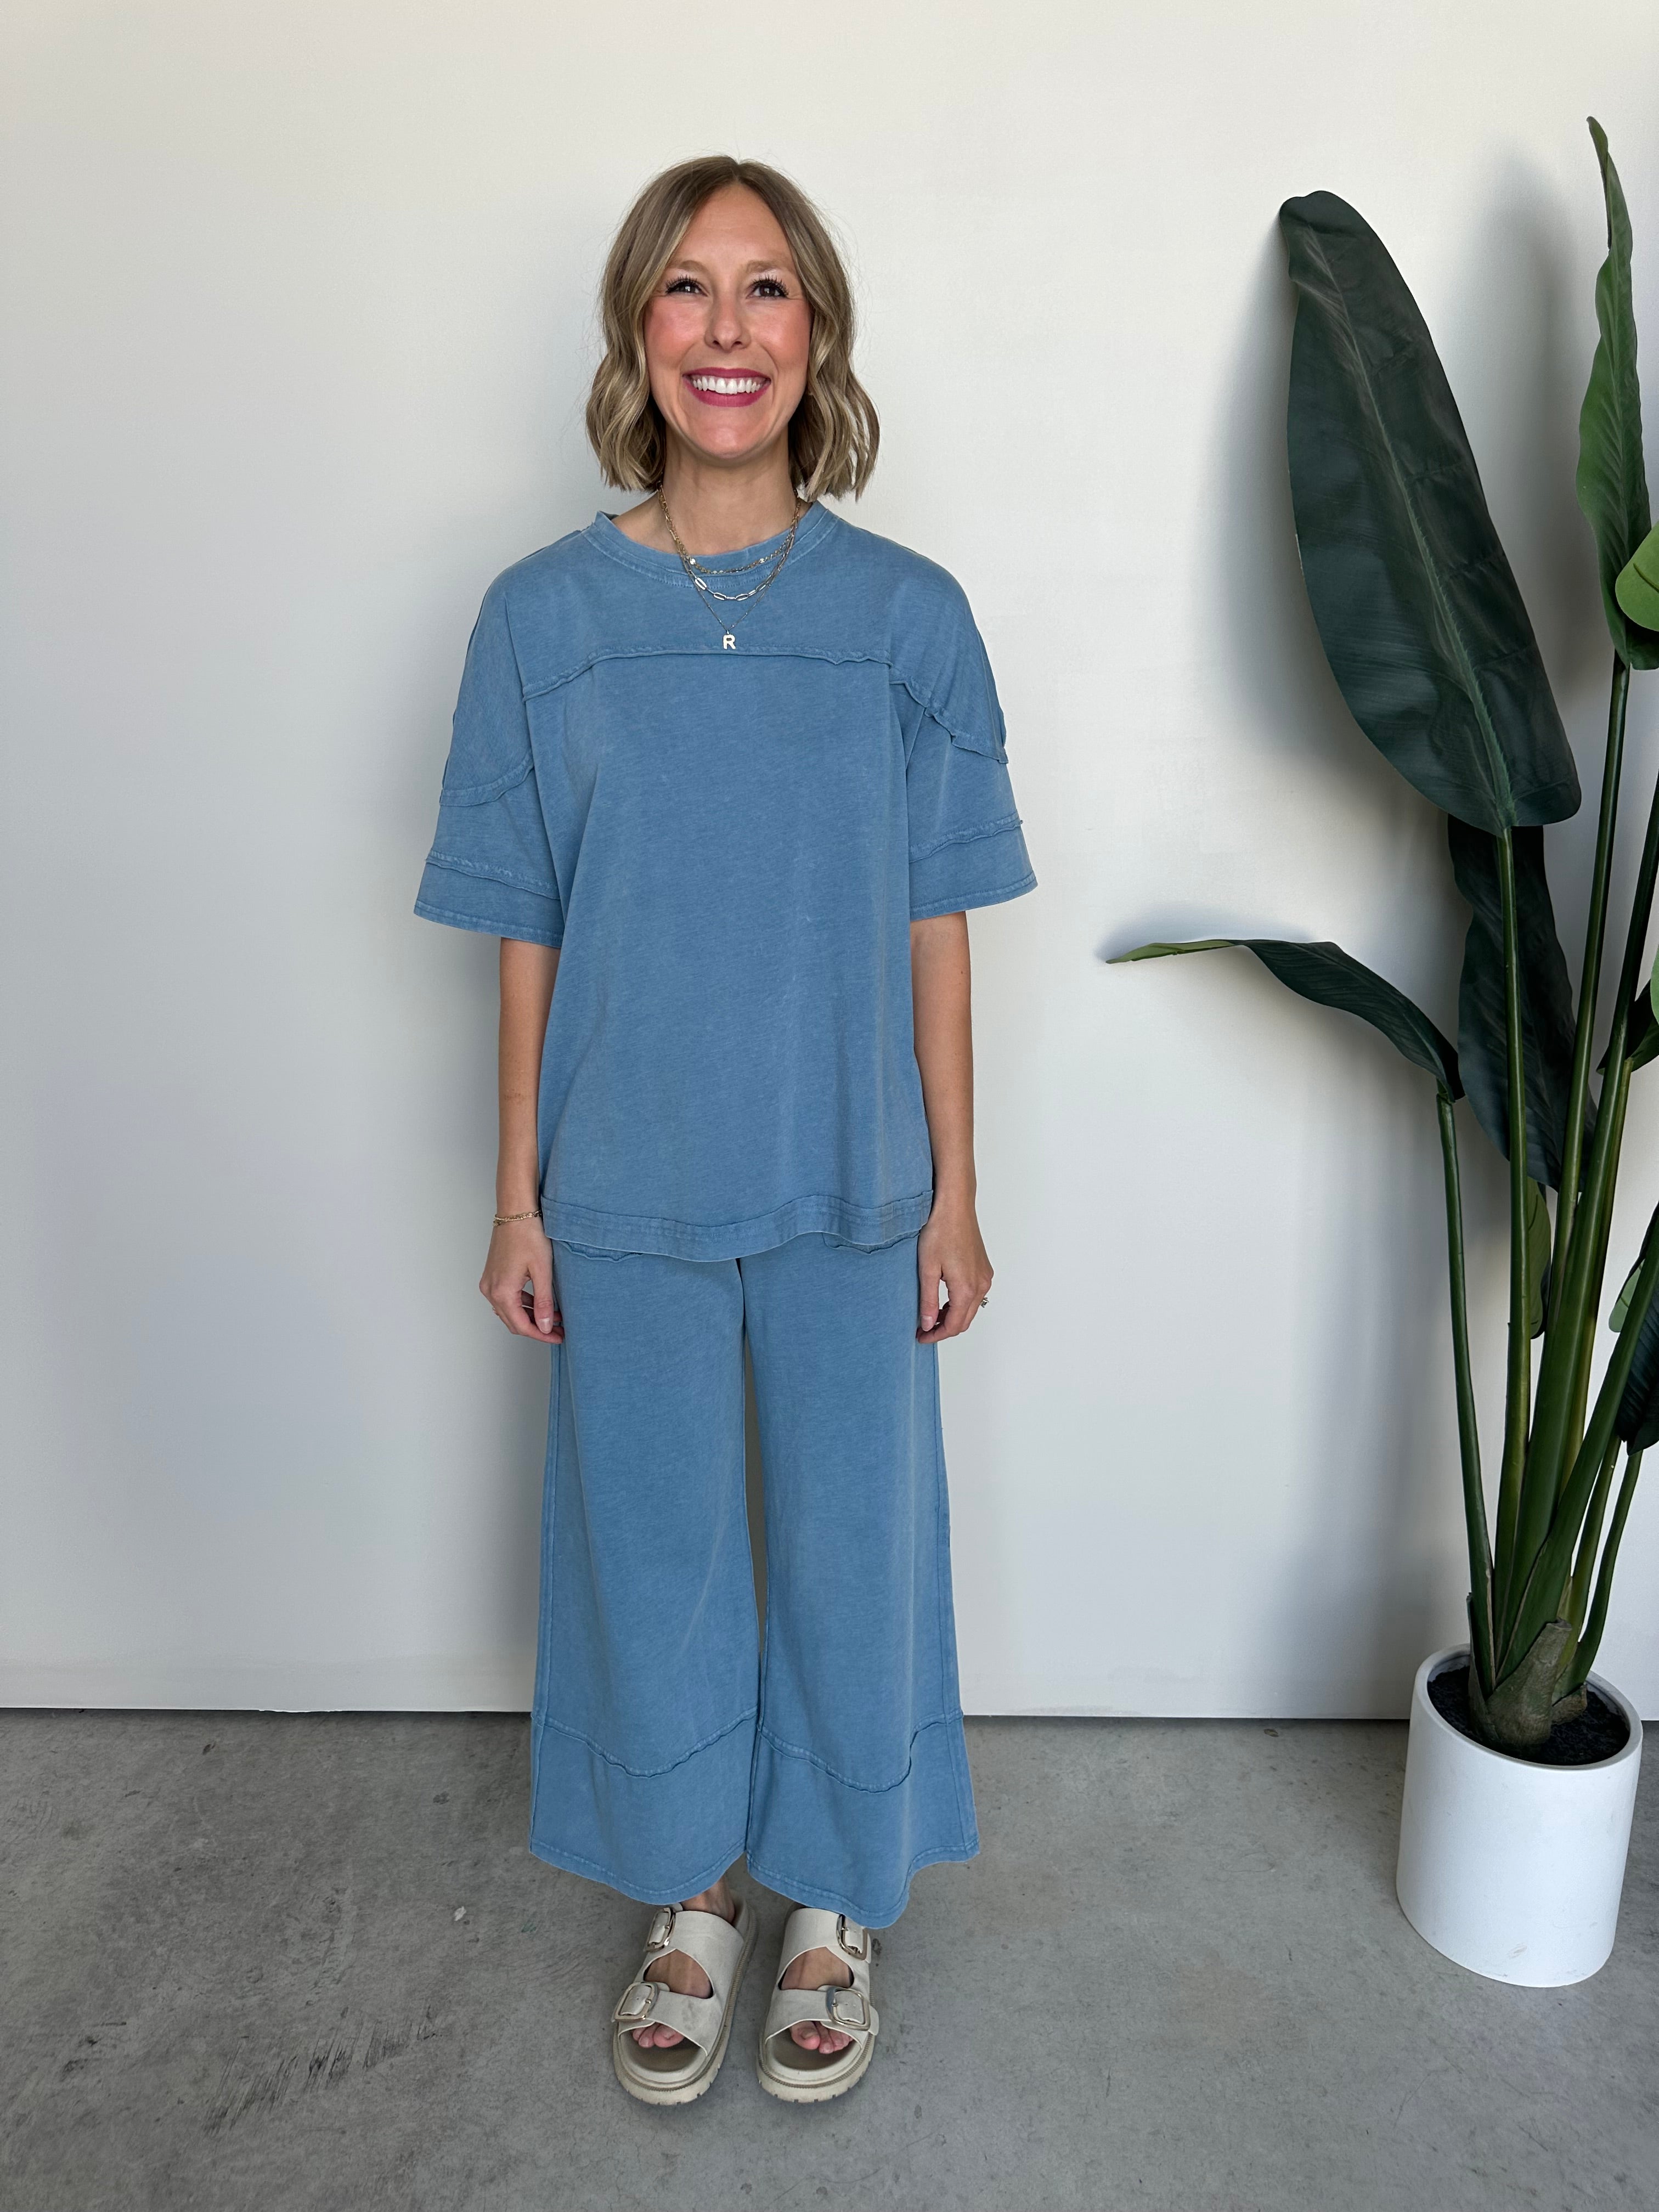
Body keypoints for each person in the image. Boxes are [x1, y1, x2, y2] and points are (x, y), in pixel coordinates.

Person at [415, 154, 1036, 2107]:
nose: (727, 330)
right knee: (651, 1548)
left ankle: (833, 1900)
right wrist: (514, 1197)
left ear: (817, 332)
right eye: (687, 288)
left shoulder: (909, 619)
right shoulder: (542, 620)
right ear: (638, 331)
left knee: (859, 1545)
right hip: (622, 1176)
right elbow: (524, 927)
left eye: (766, 289)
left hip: (856, 1178)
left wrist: (955, 1193)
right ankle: (689, 1894)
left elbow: (937, 925)